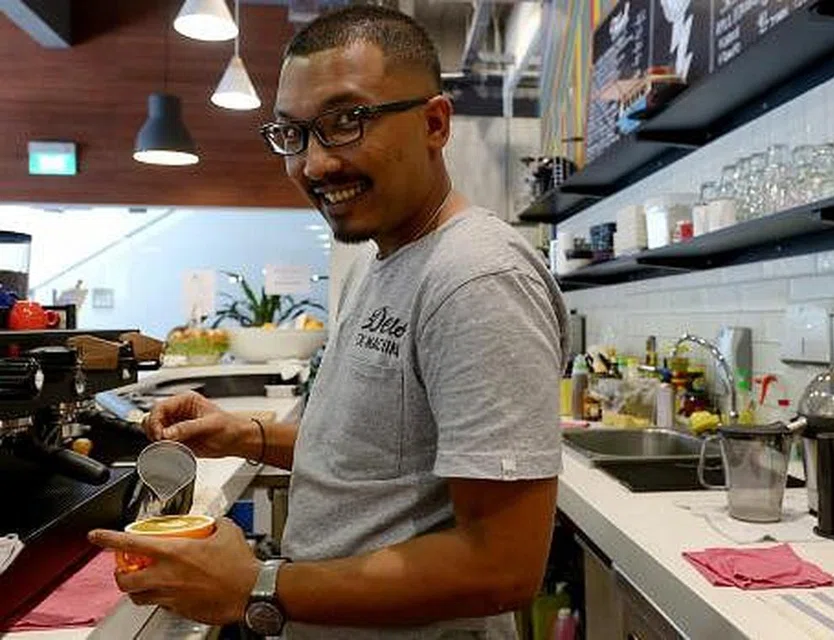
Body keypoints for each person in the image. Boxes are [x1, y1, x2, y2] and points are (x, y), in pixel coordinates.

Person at [89, 6, 567, 639]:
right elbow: (383, 454)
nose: (314, 165)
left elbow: (501, 564)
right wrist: (245, 436)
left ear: (434, 123)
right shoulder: (388, 260)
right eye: (294, 134)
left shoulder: (476, 280)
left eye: (347, 122)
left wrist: (255, 585)